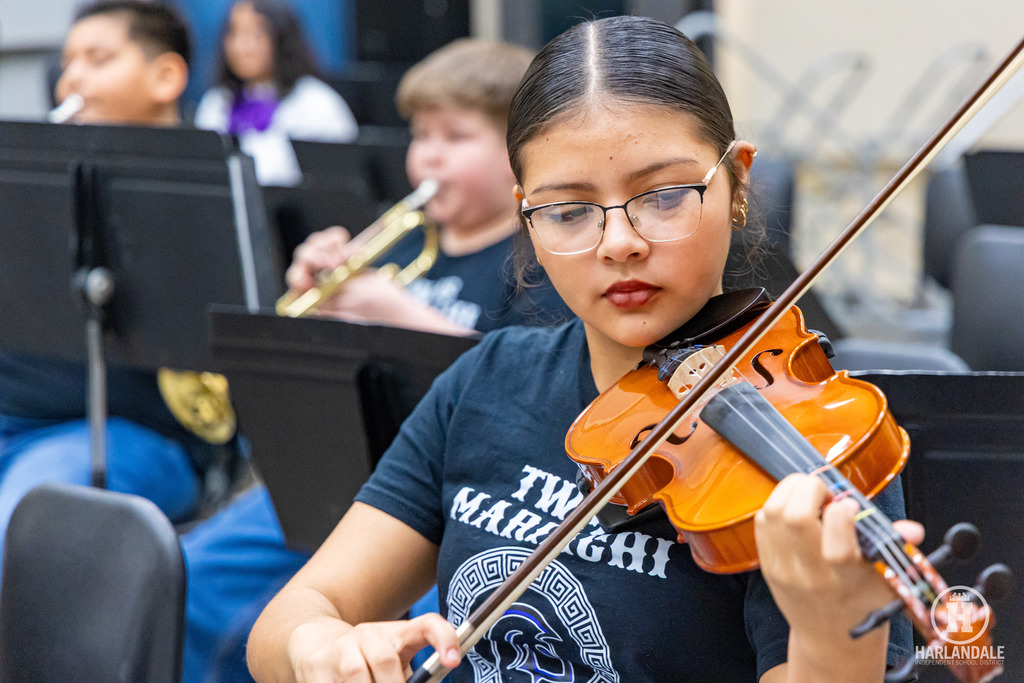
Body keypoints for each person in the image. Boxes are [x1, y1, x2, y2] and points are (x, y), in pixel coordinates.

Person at [246, 15, 922, 683]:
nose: (618, 242)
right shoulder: (487, 379)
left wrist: (836, 639)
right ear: (527, 217)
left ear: (737, 184)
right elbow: (294, 614)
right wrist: (318, 645)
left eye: (662, 197)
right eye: (569, 211)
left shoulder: (807, 444)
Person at [181, 38, 569, 683]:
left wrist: (399, 314)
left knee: (409, 641)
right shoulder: (404, 242)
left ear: (518, 156)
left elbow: (533, 385)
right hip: (337, 474)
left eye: (456, 135)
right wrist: (320, 301)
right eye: (421, 135)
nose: (430, 156)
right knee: (190, 576)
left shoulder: (539, 262)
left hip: (449, 502)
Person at [0, 2, 217, 555]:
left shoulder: (207, 196)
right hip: (15, 418)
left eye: (97, 59)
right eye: (68, 60)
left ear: (165, 76)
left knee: (17, 534)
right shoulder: (31, 180)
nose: (73, 76)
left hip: (134, 434)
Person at [193, 0, 357, 186]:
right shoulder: (217, 103)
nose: (242, 47)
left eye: (256, 34)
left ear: (282, 38)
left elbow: (343, 180)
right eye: (234, 32)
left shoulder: (316, 103)